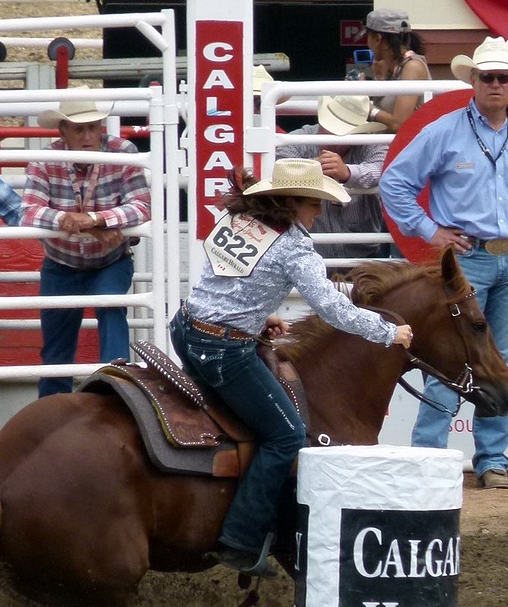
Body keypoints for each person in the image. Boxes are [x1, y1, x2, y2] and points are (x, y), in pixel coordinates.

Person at [170, 158, 412, 576]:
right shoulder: (294, 247)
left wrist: (257, 315)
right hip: (223, 350)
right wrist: (388, 333)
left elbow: (225, 283)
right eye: (314, 203)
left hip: (187, 329)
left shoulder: (238, 219)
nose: (320, 213)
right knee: (287, 435)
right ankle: (241, 541)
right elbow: (332, 308)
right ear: (292, 203)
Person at [380, 37, 508, 490]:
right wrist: (431, 232)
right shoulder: (444, 131)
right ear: (474, 81)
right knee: (450, 358)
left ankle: (491, 459)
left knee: (502, 359)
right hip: (466, 260)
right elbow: (395, 183)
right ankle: (432, 458)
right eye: (488, 77)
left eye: (504, 77)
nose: (497, 84)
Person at [21, 91, 151, 397]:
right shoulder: (46, 159)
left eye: (94, 127)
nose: (88, 135)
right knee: (57, 348)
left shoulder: (122, 151)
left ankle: (116, 397)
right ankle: (59, 410)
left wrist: (92, 219)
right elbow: (27, 213)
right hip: (65, 264)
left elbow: (144, 207)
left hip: (104, 260)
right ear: (63, 132)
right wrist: (93, 225)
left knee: (109, 305)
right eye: (80, 129)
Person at [276, 93, 390, 261]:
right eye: (329, 129)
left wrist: (348, 173)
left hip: (363, 255)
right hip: (308, 255)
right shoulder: (299, 138)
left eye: (341, 134)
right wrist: (311, 167)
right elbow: (279, 165)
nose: (333, 138)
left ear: (357, 133)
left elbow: (382, 168)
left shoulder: (372, 143)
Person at [364, 7, 430, 133]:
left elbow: (399, 124)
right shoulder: (392, 67)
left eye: (368, 36)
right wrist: (379, 78)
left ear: (378, 39)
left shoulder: (412, 67)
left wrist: (367, 109)